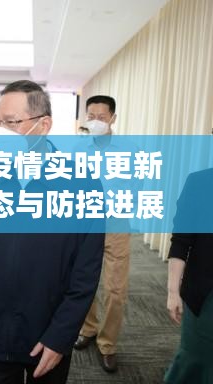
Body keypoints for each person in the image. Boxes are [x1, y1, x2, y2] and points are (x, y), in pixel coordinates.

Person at [0, 80, 105, 384]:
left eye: (11, 122)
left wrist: (61, 335)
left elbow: (86, 271)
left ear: (44, 125)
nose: (0, 131)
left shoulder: (81, 184)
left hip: (46, 331)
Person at [74, 95, 136, 373]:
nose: (96, 121)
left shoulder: (129, 149)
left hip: (116, 224)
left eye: (101, 117)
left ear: (113, 118)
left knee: (115, 289)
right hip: (84, 223)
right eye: (91, 116)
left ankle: (108, 343)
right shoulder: (78, 148)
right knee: (83, 281)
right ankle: (87, 329)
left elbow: (136, 186)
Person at [164, 168, 213, 383]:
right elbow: (181, 242)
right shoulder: (200, 182)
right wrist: (173, 291)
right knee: (194, 361)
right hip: (204, 296)